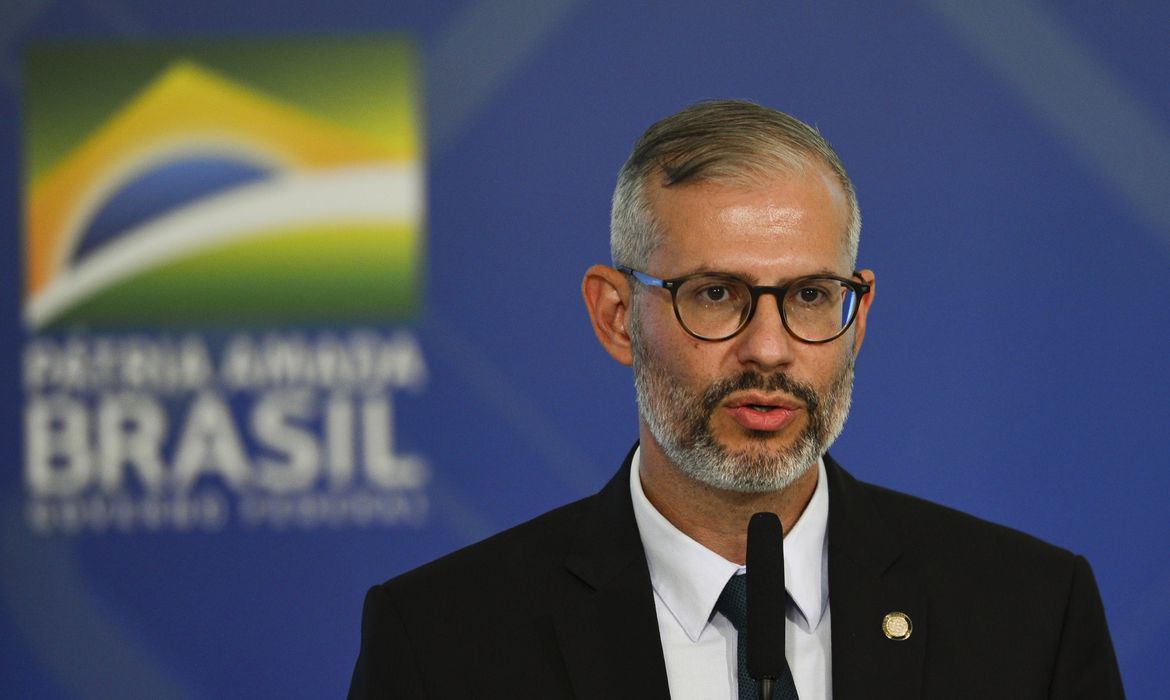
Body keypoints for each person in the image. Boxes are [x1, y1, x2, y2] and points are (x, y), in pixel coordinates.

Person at [347, 100, 1124, 699]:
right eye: (716, 293)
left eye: (813, 295)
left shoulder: (1029, 616)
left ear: (860, 316)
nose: (769, 347)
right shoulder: (443, 643)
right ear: (616, 315)